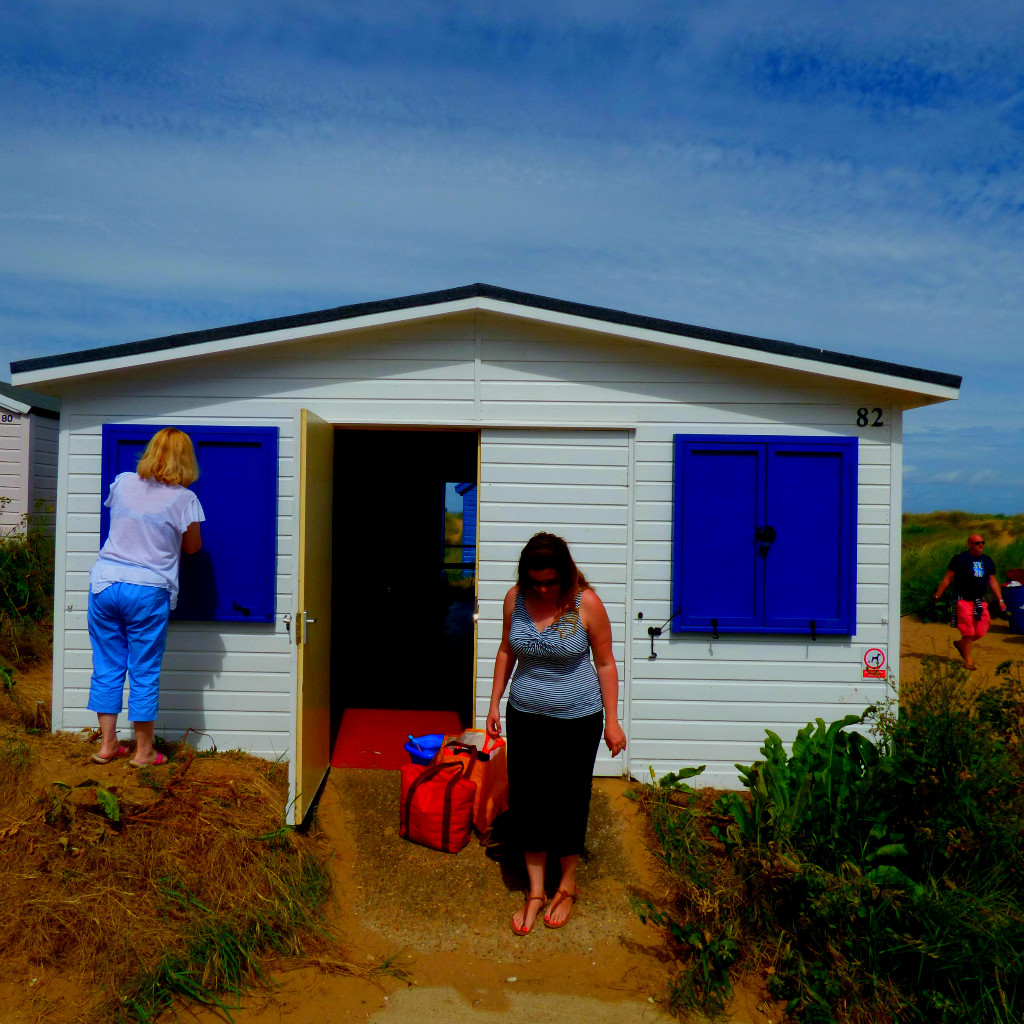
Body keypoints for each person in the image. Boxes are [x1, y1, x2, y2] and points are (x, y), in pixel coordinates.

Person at [486, 532, 627, 935]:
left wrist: (612, 722)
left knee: (568, 799)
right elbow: (506, 651)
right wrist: (494, 704)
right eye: (536, 582)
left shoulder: (587, 604)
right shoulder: (515, 599)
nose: (543, 589)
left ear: (564, 574)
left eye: (551, 581)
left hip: (577, 721)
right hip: (525, 716)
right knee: (528, 800)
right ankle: (535, 891)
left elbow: (605, 663)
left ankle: (566, 885)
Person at [87, 428, 205, 767]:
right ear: (185, 459)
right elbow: (193, 547)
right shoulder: (184, 499)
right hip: (147, 589)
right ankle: (143, 752)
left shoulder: (122, 482)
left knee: (107, 665)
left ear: (151, 452)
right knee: (143, 669)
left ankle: (108, 746)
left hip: (105, 583)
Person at [932, 534, 1006, 671]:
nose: (980, 545)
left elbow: (992, 581)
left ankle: (961, 644)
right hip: (963, 599)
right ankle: (968, 660)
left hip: (979, 600)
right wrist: (937, 595)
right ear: (969, 544)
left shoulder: (987, 560)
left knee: (981, 630)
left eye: (982, 542)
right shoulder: (960, 559)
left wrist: (1000, 599)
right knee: (968, 631)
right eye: (977, 543)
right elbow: (948, 578)